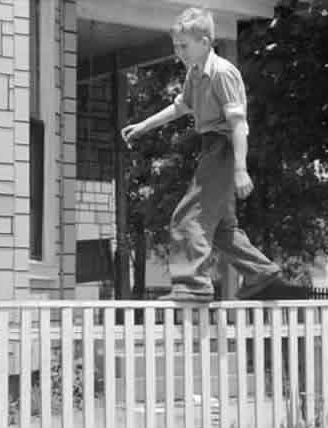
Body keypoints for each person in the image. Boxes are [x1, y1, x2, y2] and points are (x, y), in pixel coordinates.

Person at [121, 7, 304, 302]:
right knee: (221, 228)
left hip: (223, 147)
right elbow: (181, 106)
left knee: (186, 217)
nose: (178, 52)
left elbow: (238, 124)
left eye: (184, 46)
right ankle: (261, 273)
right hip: (211, 147)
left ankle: (193, 283)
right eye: (176, 46)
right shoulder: (195, 73)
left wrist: (240, 169)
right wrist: (144, 125)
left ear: (204, 42)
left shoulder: (222, 73)